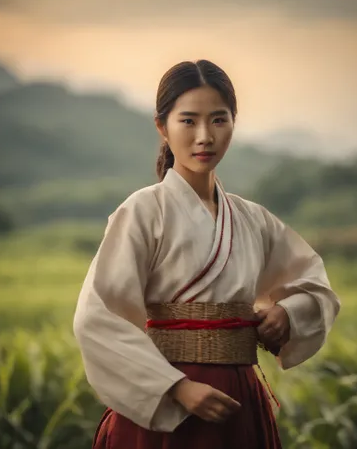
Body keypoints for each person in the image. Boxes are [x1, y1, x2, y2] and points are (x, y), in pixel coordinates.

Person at [73, 59, 341, 449]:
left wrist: (288, 312)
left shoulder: (253, 219)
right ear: (162, 126)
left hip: (237, 398)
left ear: (234, 122)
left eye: (218, 120)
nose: (204, 136)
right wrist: (177, 388)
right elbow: (97, 316)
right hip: (167, 403)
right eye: (188, 121)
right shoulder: (143, 211)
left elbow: (314, 284)